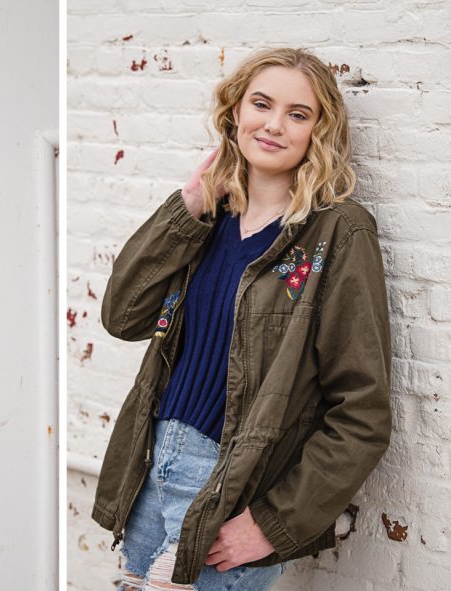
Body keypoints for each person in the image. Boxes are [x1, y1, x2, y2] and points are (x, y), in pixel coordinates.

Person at [92, 47, 391, 590]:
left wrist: (275, 524)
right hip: (149, 474)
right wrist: (185, 209)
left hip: (229, 492)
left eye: (298, 115)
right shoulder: (206, 217)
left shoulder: (336, 233)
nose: (274, 125)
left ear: (318, 132)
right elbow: (121, 314)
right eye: (262, 104)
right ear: (235, 113)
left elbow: (362, 412)